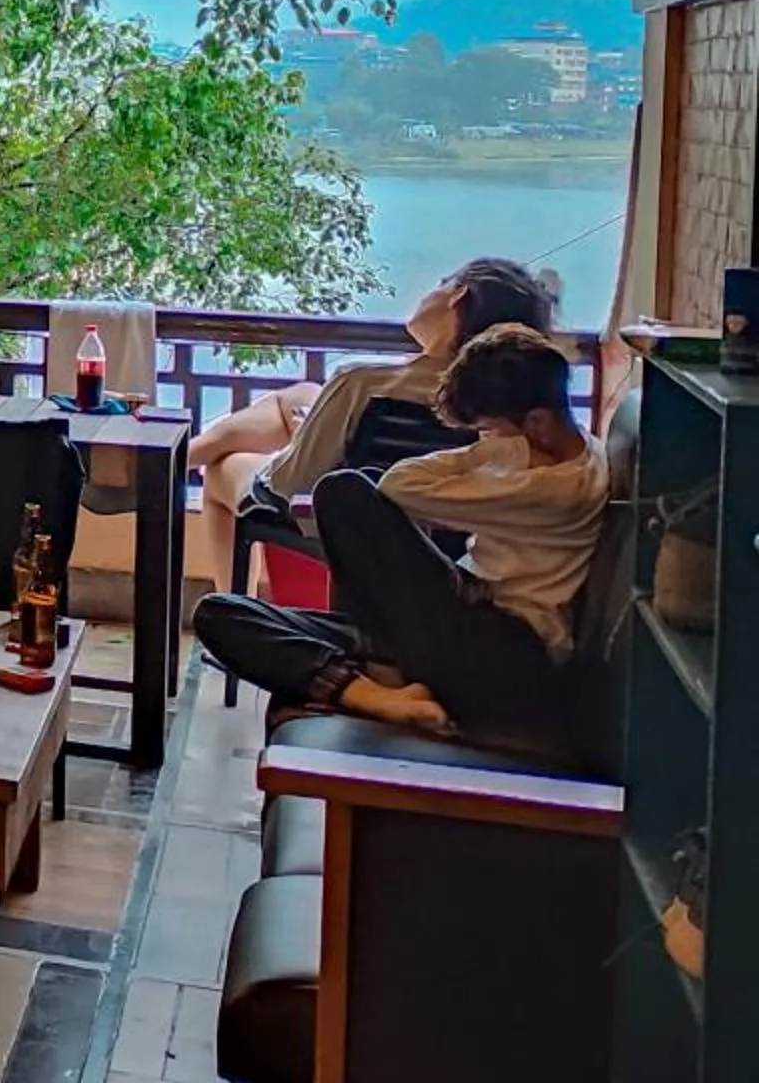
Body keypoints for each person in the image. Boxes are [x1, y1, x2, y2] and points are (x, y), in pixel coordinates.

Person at [192, 325, 608, 737]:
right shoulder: (576, 449)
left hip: (505, 656)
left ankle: (370, 688)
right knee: (218, 614)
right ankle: (382, 688)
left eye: (489, 431)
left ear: (537, 422)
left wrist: (497, 450)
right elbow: (395, 484)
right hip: (463, 624)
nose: (485, 443)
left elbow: (399, 486)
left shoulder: (551, 489)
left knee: (345, 493)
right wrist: (504, 444)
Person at [188, 258, 557, 565]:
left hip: (349, 525)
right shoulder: (503, 412)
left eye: (441, 283)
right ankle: (185, 454)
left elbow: (287, 483)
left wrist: (298, 445)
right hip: (443, 540)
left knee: (223, 467)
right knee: (298, 397)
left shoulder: (364, 382)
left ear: (457, 296)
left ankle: (180, 460)